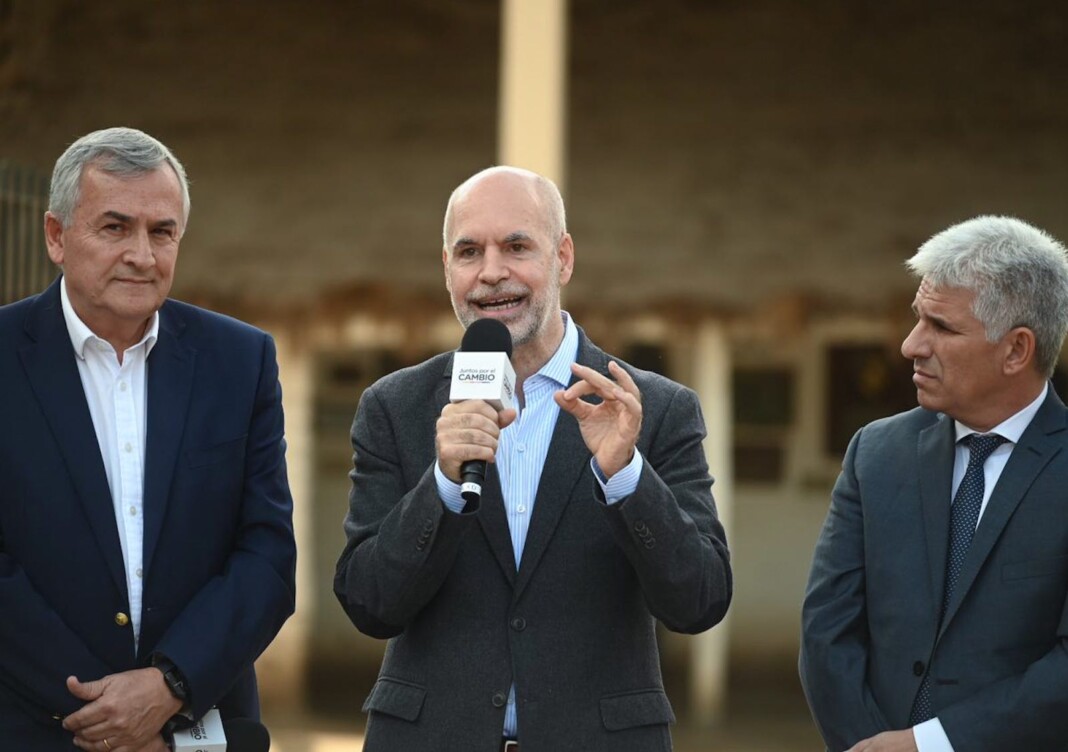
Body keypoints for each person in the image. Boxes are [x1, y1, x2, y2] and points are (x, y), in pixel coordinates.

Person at [333, 165, 731, 751]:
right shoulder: (394, 407)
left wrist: (626, 477)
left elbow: (699, 602)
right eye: (469, 252)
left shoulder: (654, 408)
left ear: (563, 258)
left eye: (516, 246)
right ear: (447, 269)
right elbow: (369, 604)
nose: (491, 273)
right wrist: (441, 485)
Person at [0, 127, 297, 751]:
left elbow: (266, 557)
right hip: (35, 729)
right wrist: (105, 713)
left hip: (195, 728)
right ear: (56, 237)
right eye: (114, 228)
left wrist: (168, 687)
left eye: (161, 232)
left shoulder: (240, 361)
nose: (142, 253)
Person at [799, 215, 1068, 752]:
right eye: (918, 319)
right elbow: (827, 631)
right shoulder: (875, 453)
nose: (910, 346)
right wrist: (872, 745)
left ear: (1016, 350)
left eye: (941, 328)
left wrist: (930, 744)